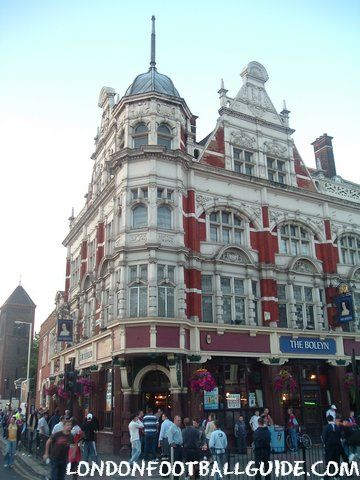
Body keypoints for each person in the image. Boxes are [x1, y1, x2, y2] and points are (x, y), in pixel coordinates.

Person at [322, 415, 342, 480]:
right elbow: (340, 435)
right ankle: (336, 475)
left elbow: (324, 437)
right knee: (336, 461)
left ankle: (327, 476)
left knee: (328, 461)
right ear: (333, 419)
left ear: (327, 420)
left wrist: (325, 444)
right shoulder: (337, 427)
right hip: (337, 446)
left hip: (329, 447)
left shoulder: (326, 427)